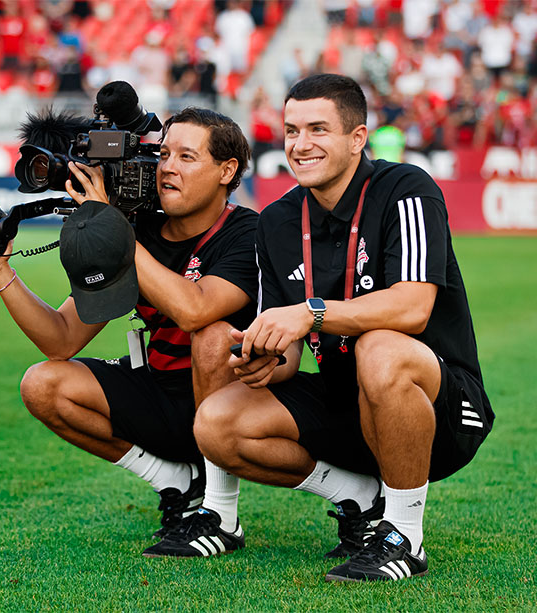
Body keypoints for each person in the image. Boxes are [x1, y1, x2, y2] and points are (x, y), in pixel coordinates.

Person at [165, 74, 493, 581]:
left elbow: (413, 308)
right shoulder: (276, 221)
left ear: (356, 138)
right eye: (291, 130)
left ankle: (405, 537)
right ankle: (360, 498)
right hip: (347, 404)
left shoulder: (405, 188)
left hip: (440, 409)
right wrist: (261, 359)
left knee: (381, 349)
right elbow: (291, 355)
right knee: (216, 425)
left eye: (318, 129)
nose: (300, 144)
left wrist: (310, 312)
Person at [0, 107, 257, 555]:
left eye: (186, 157)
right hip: (162, 392)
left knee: (213, 336)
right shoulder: (139, 230)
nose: (168, 168)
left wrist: (113, 227)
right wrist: (0, 272)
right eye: (162, 155)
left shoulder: (248, 232)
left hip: (232, 405)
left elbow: (195, 312)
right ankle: (177, 481)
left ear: (226, 170)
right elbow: (61, 338)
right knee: (43, 383)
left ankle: (220, 515)